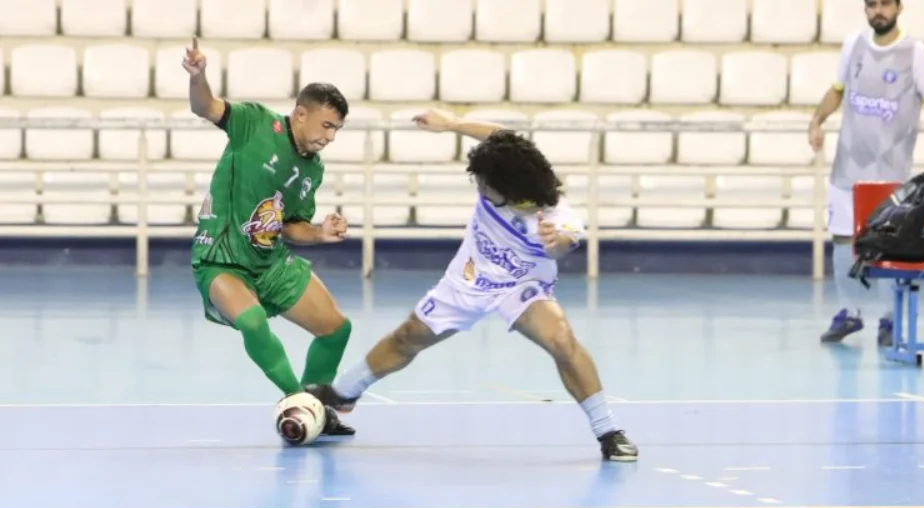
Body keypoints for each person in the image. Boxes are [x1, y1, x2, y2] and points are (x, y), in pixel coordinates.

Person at [308, 110, 639, 462]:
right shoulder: (506, 166)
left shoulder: (556, 217)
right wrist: (451, 124)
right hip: (470, 277)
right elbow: (502, 133)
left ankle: (609, 431)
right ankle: (344, 392)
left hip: (520, 284)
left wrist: (553, 242)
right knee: (407, 336)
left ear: (512, 189)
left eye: (485, 185)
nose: (479, 187)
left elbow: (566, 242)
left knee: (561, 339)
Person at [183, 37, 355, 436]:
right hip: (220, 259)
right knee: (254, 320)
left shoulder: (313, 170)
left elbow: (292, 225)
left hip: (269, 260)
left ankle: (314, 402)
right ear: (299, 114)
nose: (330, 137)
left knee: (336, 328)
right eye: (327, 125)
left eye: (337, 129)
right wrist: (198, 76)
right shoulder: (255, 123)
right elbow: (204, 106)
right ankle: (302, 404)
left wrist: (319, 233)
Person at [808, 0, 924, 345]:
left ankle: (889, 320)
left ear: (899, 8)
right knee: (842, 238)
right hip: (848, 168)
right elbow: (837, 91)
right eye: (871, 5)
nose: (878, 12)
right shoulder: (852, 45)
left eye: (885, 4)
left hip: (890, 175)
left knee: (888, 245)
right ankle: (848, 313)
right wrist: (816, 119)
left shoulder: (914, 52)